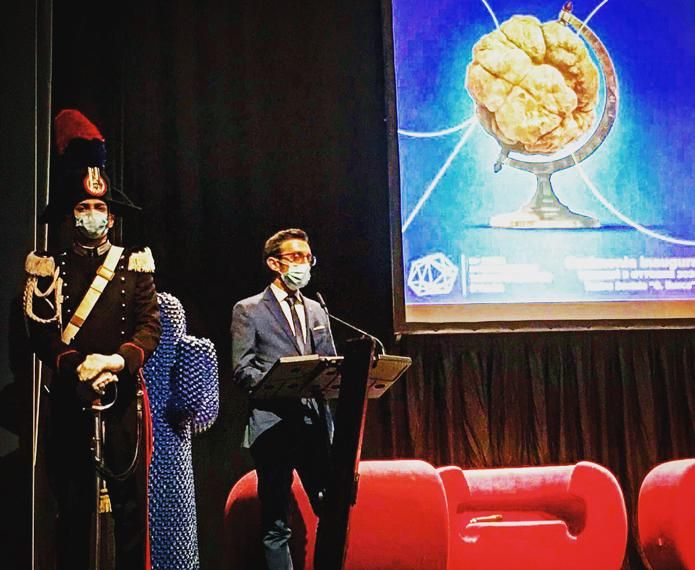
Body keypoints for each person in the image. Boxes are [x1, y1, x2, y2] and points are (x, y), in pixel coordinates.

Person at [23, 109, 160, 569]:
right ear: (71, 214)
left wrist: (115, 362)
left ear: (112, 216)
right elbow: (41, 332)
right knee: (73, 512)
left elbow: (149, 327)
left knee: (129, 512)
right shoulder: (49, 266)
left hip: (121, 402)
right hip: (70, 398)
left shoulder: (134, 264)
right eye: (84, 208)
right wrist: (79, 365)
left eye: (100, 209)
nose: (93, 215)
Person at [231, 228, 336, 570]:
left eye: (308, 257)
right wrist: (281, 381)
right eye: (295, 257)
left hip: (314, 424)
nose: (303, 264)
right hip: (273, 426)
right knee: (276, 522)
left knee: (332, 509)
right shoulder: (249, 309)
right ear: (274, 264)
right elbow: (243, 370)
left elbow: (329, 362)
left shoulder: (317, 309)